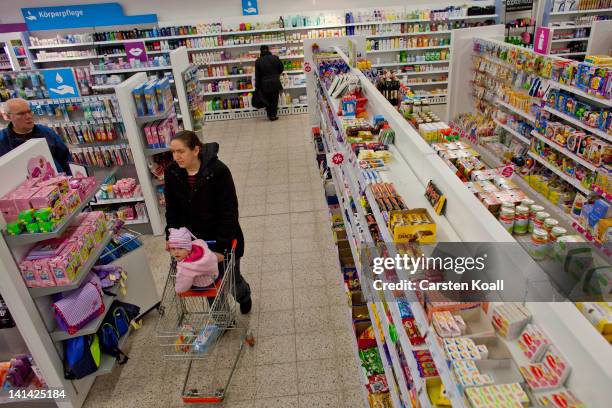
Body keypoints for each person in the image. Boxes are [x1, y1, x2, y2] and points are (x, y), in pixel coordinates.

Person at [164, 130, 252, 313]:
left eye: (181, 151)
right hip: (195, 242)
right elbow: (172, 209)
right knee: (207, 284)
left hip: (222, 238)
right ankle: (222, 320)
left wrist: (221, 248)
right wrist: (172, 237)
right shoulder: (172, 172)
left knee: (231, 280)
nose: (176, 157)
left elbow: (229, 212)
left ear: (195, 150)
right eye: (173, 152)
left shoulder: (218, 171)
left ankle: (243, 295)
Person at [0, 98, 71, 174]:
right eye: (21, 114)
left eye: (29, 112)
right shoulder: (2, 141)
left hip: (58, 182)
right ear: (8, 117)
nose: (28, 116)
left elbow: (66, 160)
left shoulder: (47, 132)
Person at [168, 227, 220, 294]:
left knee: (186, 280)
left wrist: (177, 289)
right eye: (173, 248)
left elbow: (181, 288)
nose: (176, 252)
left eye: (180, 248)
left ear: (189, 249)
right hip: (215, 275)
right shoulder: (198, 243)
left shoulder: (185, 267)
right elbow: (203, 242)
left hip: (205, 285)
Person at [255, 45, 284, 121]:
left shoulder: (258, 61)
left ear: (261, 51)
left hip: (264, 84)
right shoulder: (275, 58)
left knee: (267, 99)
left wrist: (257, 86)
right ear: (268, 50)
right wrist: (276, 74)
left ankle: (269, 115)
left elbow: (257, 75)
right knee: (274, 100)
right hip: (275, 82)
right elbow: (281, 68)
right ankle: (273, 116)